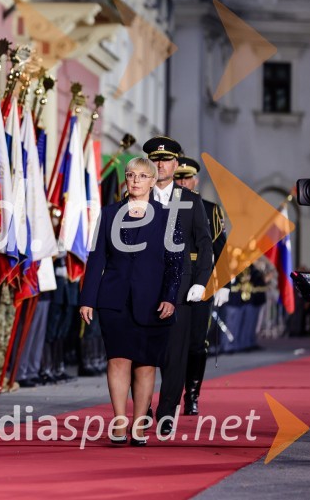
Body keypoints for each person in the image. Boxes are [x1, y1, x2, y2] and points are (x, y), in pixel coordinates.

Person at [80, 157, 184, 446]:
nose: (135, 180)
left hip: (153, 302)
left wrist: (170, 298)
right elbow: (97, 256)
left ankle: (139, 426)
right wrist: (87, 299)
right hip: (114, 299)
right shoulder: (110, 213)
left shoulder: (167, 216)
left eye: (142, 176)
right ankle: (119, 421)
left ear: (153, 181)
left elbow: (176, 264)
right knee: (117, 361)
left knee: (146, 365)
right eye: (130, 175)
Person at [142, 138, 213, 437]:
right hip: (143, 287)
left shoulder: (191, 200)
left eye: (166, 160)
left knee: (175, 355)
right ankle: (142, 410)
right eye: (155, 161)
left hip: (180, 289)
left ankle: (167, 411)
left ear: (175, 164)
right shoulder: (136, 196)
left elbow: (205, 244)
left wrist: (200, 282)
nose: (160, 165)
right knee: (141, 353)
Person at [173, 157, 230, 415]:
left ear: (195, 180)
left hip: (200, 281)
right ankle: (168, 395)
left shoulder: (209, 210)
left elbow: (221, 250)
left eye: (187, 178)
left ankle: (192, 395)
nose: (183, 182)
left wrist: (224, 283)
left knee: (197, 342)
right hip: (171, 280)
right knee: (168, 343)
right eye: (179, 178)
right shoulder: (164, 206)